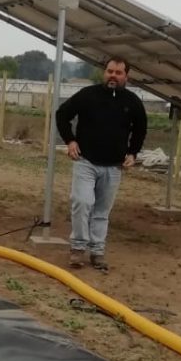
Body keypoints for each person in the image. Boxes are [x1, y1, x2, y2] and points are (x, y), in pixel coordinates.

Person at [55, 57, 148, 272]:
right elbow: (62, 115)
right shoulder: (88, 95)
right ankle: (78, 248)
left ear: (126, 76)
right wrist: (70, 141)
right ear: (103, 73)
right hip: (85, 161)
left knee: (101, 211)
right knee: (82, 202)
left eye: (118, 72)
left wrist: (133, 153)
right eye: (109, 71)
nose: (112, 76)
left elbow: (141, 129)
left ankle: (97, 251)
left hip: (114, 167)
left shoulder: (132, 102)